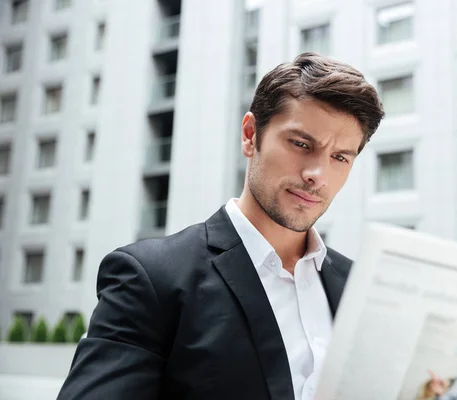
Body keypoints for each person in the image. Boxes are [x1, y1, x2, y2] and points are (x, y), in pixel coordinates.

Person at [57, 53, 385, 400]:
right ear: (249, 135)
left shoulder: (359, 288)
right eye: (301, 144)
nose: (316, 175)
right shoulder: (151, 278)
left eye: (340, 157)